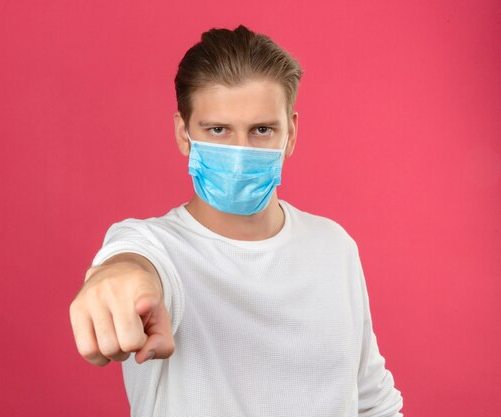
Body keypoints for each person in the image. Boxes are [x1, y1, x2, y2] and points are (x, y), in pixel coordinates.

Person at [69, 24, 404, 417]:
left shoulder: (335, 247)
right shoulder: (157, 246)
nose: (241, 151)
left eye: (262, 130)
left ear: (291, 134)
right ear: (183, 134)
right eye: (218, 130)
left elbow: (373, 402)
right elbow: (132, 260)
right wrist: (120, 276)